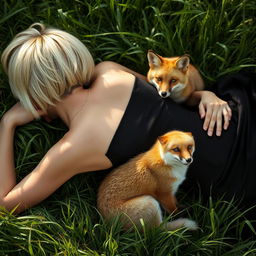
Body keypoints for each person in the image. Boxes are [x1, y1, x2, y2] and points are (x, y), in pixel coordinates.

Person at [0, 23, 255, 217]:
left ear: (32, 96)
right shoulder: (109, 71)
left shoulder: (74, 148)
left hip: (238, 176)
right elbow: (171, 97)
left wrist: (7, 123)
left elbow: (6, 203)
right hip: (241, 114)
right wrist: (206, 95)